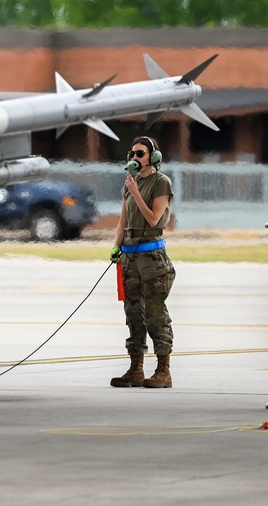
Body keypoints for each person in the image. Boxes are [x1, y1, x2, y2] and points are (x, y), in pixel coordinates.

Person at [108, 136, 176, 388]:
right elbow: (122, 221)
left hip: (153, 258)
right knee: (133, 313)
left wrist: (136, 192)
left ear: (153, 157)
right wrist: (116, 246)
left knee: (155, 315)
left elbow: (154, 220)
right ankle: (136, 369)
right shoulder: (129, 184)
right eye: (132, 154)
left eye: (140, 154)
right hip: (130, 258)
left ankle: (163, 371)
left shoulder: (161, 183)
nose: (134, 158)